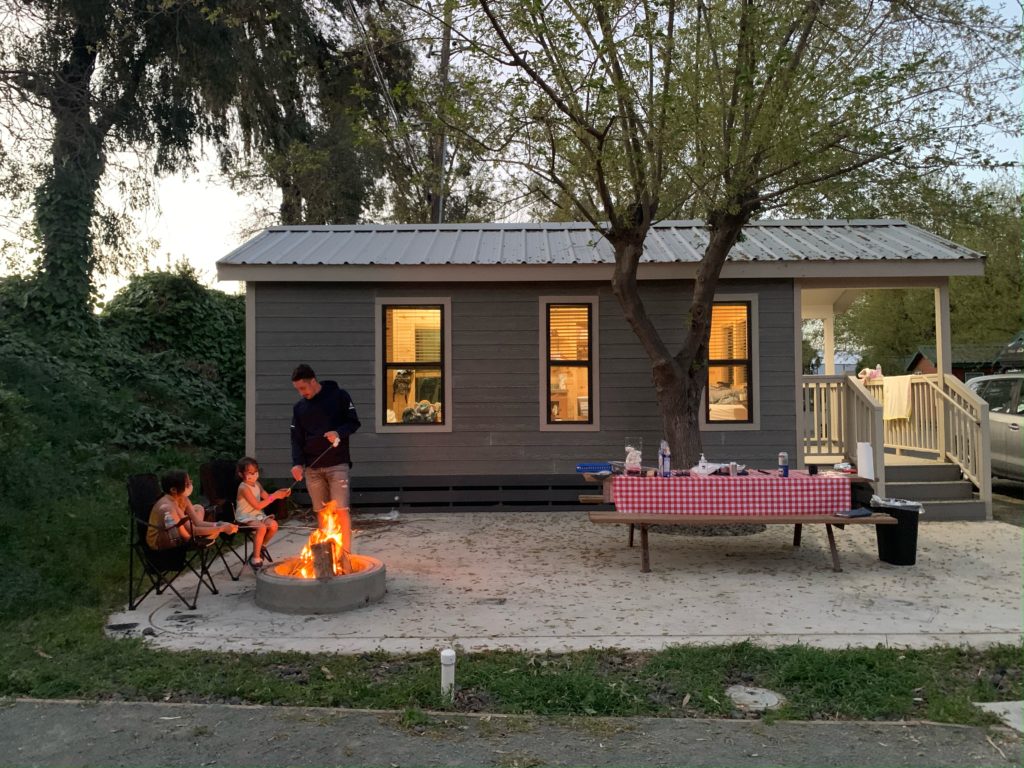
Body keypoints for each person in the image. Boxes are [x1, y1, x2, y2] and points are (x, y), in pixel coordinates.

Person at [290, 364, 360, 553]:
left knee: (341, 510)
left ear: (313, 381)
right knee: (321, 512)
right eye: (297, 389)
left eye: (303, 388)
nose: (301, 393)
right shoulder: (299, 408)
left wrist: (338, 432)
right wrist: (297, 463)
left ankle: (344, 554)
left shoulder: (339, 396)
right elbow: (296, 439)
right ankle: (327, 554)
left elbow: (354, 422)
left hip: (337, 464)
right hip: (312, 468)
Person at [147, 470, 237, 550]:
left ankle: (203, 533)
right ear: (173, 490)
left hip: (184, 531)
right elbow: (191, 531)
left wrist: (219, 524)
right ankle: (202, 534)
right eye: (187, 484)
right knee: (194, 533)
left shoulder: (182, 498)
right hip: (163, 541)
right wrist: (221, 529)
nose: (190, 484)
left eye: (190, 481)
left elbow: (198, 523)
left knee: (198, 507)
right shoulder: (167, 506)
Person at [235, 456, 287, 569]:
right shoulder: (243, 488)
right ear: (241, 474)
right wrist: (275, 496)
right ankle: (255, 559)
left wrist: (280, 494)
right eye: (250, 472)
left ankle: (261, 547)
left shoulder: (257, 484)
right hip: (245, 516)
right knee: (262, 527)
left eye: (255, 471)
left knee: (273, 525)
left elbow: (267, 497)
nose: (253, 475)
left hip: (257, 514)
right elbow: (257, 505)